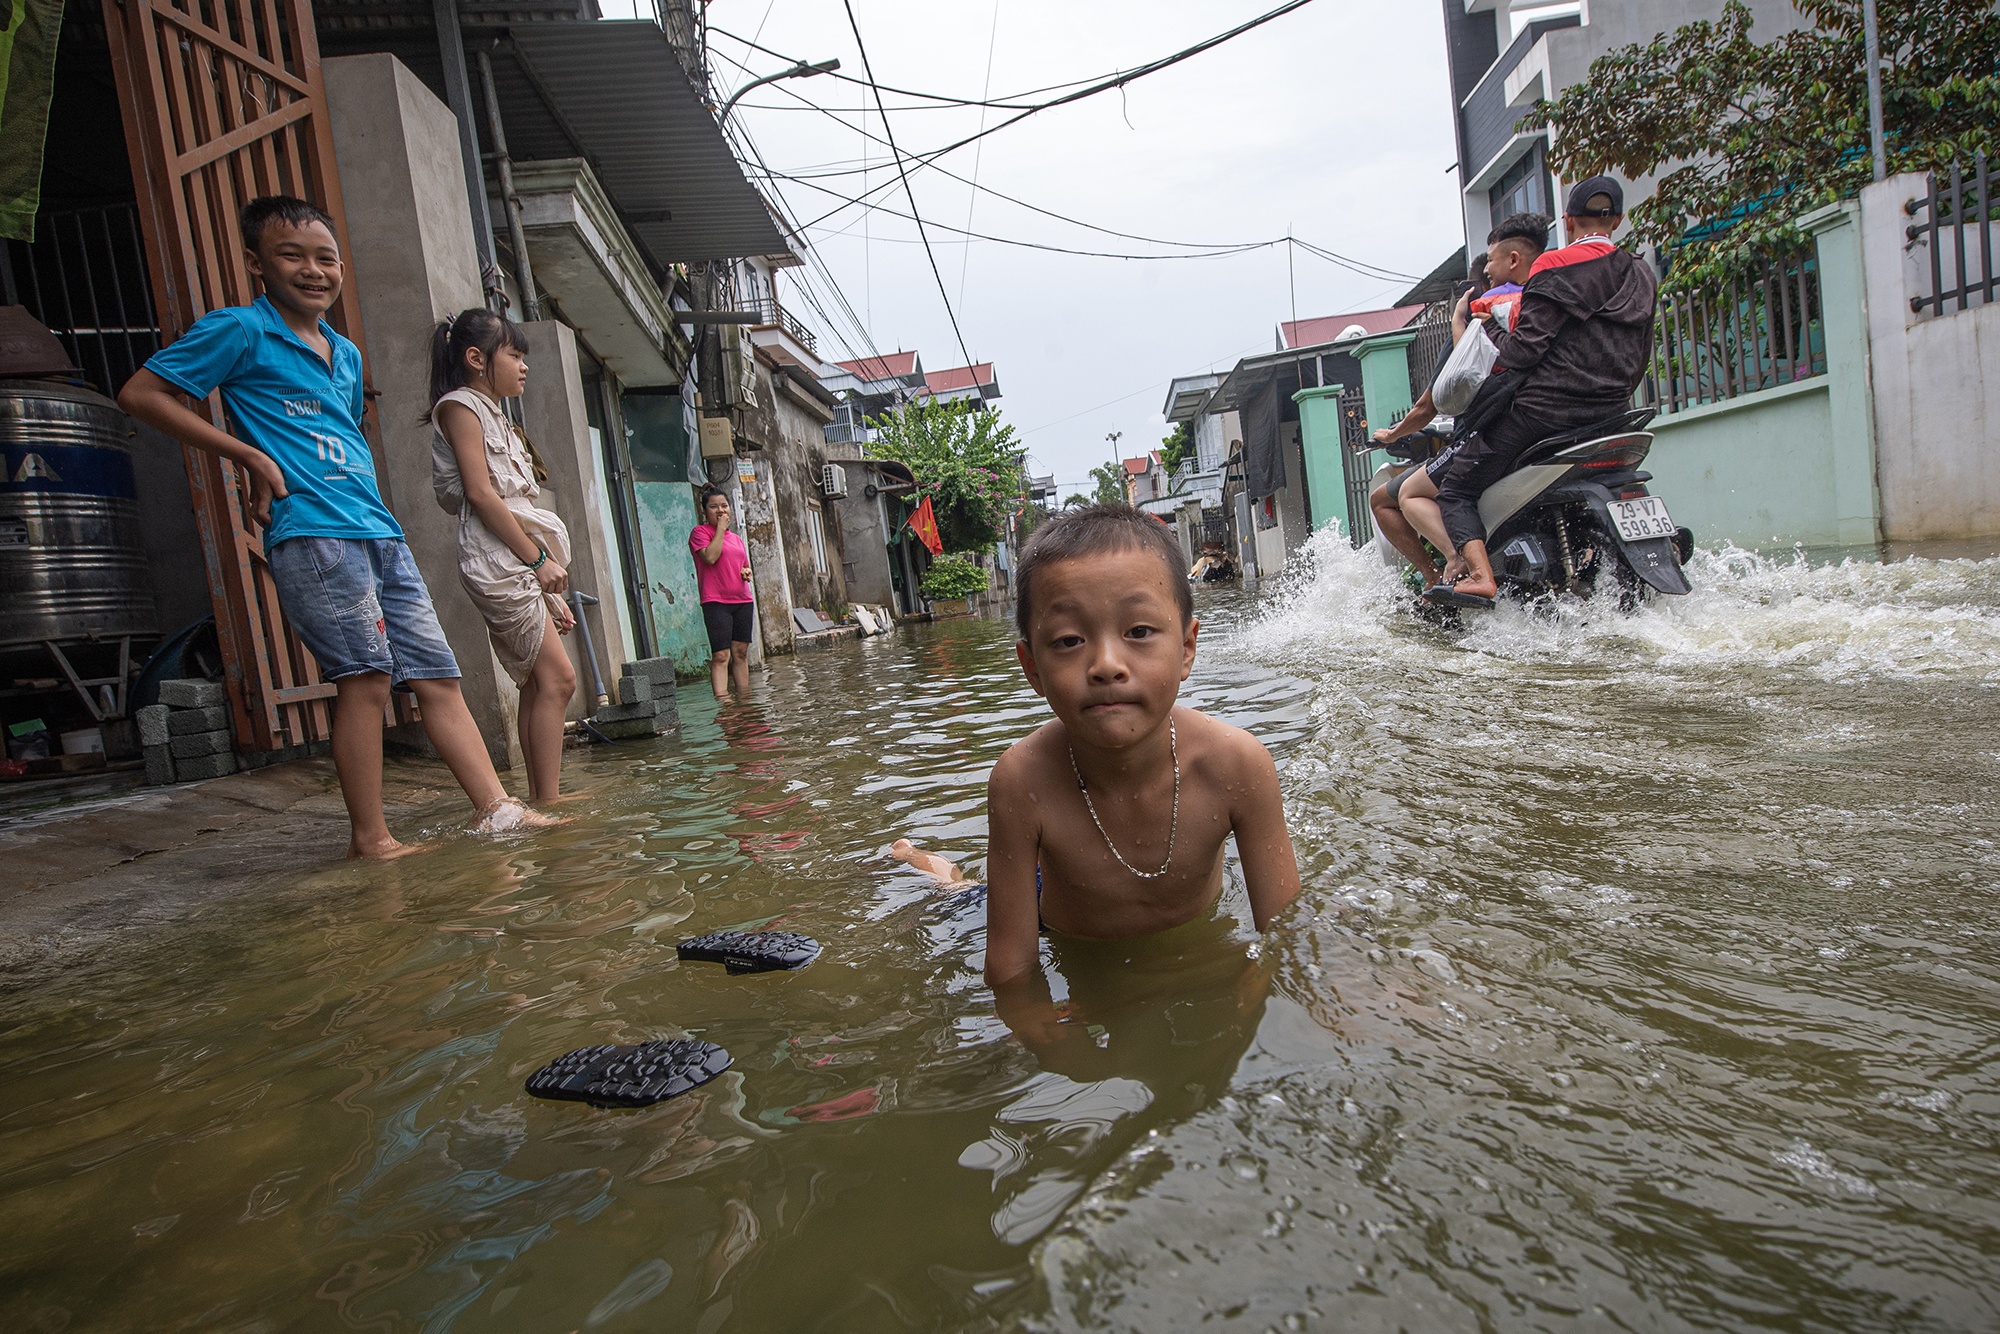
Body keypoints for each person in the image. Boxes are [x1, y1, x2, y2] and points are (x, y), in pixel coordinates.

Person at [118, 195, 555, 856]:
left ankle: (496, 808)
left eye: (325, 258)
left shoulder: (345, 355)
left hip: (378, 531)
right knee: (367, 679)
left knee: (438, 676)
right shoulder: (238, 330)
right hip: (315, 535)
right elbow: (141, 395)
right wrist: (248, 457)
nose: (313, 270)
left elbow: (339, 436)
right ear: (256, 262)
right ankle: (371, 838)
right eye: (292, 255)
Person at [973, 504, 1300, 1045]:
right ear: (1032, 667)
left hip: (1189, 933)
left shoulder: (1237, 766)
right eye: (1068, 641)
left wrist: (1258, 985)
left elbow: (1286, 934)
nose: (1106, 664)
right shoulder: (1022, 782)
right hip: (1055, 919)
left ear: (1187, 648)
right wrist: (1042, 1033)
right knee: (959, 895)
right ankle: (927, 867)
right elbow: (1009, 969)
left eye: (1140, 630)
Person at [1427, 179, 1657, 605]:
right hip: (1613, 413)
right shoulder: (1641, 271)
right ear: (1618, 220)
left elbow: (1522, 352)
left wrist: (1485, 324)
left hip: (1546, 413)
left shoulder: (1554, 266)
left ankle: (1479, 575)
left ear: (1567, 221)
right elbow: (1641, 351)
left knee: (1456, 489)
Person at [427, 307, 578, 803]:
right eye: (514, 354)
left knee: (539, 680)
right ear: (476, 358)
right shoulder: (460, 407)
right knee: (559, 679)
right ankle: (548, 801)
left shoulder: (493, 412)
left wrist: (541, 576)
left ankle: (542, 798)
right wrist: (538, 560)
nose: (523, 365)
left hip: (513, 555)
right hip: (498, 557)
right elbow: (481, 493)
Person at [1373, 213, 1552, 586]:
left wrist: (1391, 435)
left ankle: (1451, 569)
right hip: (1551, 425)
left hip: (1495, 430)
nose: (1489, 270)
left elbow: (1450, 388)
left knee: (1411, 493)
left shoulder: (1484, 314)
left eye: (1491, 262)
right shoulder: (1550, 304)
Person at [690, 486, 754, 699]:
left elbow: (743, 565)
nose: (720, 510)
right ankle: (724, 703)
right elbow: (710, 557)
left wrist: (746, 572)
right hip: (716, 601)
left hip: (742, 600)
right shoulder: (700, 533)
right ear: (705, 511)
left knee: (740, 653)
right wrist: (719, 529)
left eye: (724, 506)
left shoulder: (736, 539)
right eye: (714, 506)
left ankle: (744, 701)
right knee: (720, 655)